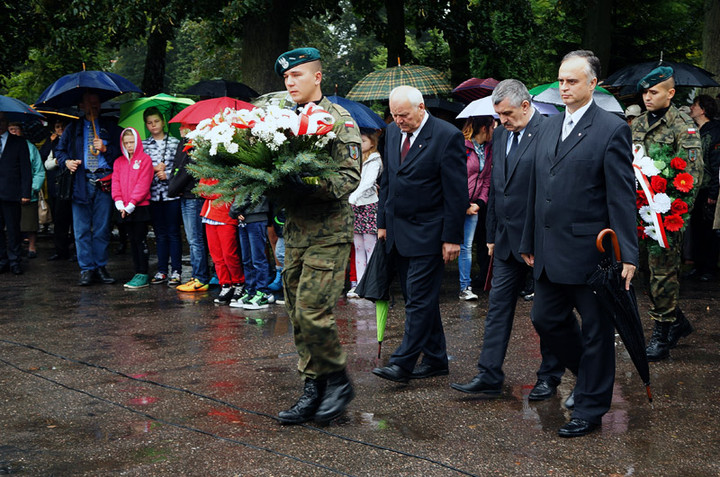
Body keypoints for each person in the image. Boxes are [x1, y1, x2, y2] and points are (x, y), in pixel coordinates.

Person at [519, 50, 637, 438]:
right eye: (560, 80)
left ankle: (590, 408)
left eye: (572, 81)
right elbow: (536, 188)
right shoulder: (548, 127)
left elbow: (620, 196)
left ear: (593, 84)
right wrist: (527, 239)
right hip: (549, 250)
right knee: (545, 320)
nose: (564, 87)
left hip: (592, 254)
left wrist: (627, 255)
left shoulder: (611, 128)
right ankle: (589, 377)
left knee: (597, 332)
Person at [451, 79, 564, 401]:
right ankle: (489, 373)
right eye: (498, 115)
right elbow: (498, 187)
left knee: (546, 313)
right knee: (497, 308)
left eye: (507, 114)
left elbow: (547, 193)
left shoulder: (551, 131)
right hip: (504, 240)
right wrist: (490, 234)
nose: (501, 121)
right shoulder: (500, 134)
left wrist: (530, 241)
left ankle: (549, 376)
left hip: (540, 241)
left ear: (526, 106)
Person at [273, 47, 361, 425]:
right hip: (295, 231)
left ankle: (338, 380)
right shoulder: (280, 119)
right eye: (286, 78)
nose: (290, 82)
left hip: (329, 231)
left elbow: (349, 178)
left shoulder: (340, 120)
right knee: (296, 313)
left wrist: (309, 184)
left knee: (313, 310)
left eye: (297, 76)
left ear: (317, 77)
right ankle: (313, 387)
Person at [372, 85, 467, 384]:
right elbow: (387, 181)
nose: (399, 120)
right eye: (394, 115)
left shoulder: (446, 136)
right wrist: (382, 223)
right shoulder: (390, 134)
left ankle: (402, 363)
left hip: (429, 232)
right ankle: (437, 358)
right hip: (398, 232)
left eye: (404, 115)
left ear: (421, 107)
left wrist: (452, 238)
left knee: (417, 300)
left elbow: (456, 193)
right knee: (419, 298)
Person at [632, 67, 703, 361]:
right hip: (639, 212)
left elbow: (693, 176)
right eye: (645, 93)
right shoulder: (636, 124)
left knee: (662, 272)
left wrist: (672, 217)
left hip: (666, 216)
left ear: (670, 93)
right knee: (647, 273)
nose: (648, 97)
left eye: (654, 92)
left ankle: (661, 336)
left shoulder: (682, 127)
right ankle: (678, 322)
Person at [56, 91, 122, 286]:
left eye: (96, 103)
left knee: (102, 228)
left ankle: (100, 266)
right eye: (89, 103)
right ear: (82, 106)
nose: (93, 106)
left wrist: (106, 149)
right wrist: (66, 162)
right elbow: (60, 151)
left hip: (105, 179)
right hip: (81, 181)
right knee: (81, 228)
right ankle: (86, 269)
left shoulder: (110, 126)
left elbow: (122, 152)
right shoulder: (72, 127)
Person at [142, 107, 182, 286]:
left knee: (173, 232)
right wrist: (153, 170)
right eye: (149, 123)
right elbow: (140, 171)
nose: (153, 125)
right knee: (160, 234)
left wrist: (169, 175)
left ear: (163, 122)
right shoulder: (143, 146)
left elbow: (181, 168)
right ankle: (162, 270)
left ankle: (176, 270)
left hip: (172, 195)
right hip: (153, 195)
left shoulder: (174, 142)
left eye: (156, 121)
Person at [169, 125, 210, 293]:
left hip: (193, 195)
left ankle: (200, 277)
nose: (180, 128)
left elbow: (187, 171)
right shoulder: (184, 143)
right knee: (193, 239)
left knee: (195, 239)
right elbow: (177, 167)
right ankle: (196, 275)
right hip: (184, 195)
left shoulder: (196, 144)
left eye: (184, 125)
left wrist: (172, 187)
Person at [112, 128, 154, 288]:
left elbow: (143, 184)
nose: (129, 146)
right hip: (124, 208)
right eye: (126, 143)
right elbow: (115, 183)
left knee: (140, 239)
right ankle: (137, 272)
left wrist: (131, 204)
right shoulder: (118, 162)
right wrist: (119, 202)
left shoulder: (145, 160)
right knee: (132, 240)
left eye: (132, 142)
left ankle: (143, 273)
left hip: (139, 207)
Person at [458, 116, 494, 300]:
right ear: (483, 128)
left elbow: (487, 180)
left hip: (474, 206)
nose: (494, 131)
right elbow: (456, 177)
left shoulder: (488, 150)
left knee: (466, 246)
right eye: (492, 128)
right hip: (458, 204)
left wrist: (479, 204)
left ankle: (465, 287)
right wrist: (463, 204)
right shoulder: (462, 146)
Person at [347, 129, 383, 298]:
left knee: (370, 247)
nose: (360, 144)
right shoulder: (355, 159)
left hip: (368, 206)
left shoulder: (375, 160)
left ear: (372, 143)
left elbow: (367, 183)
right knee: (358, 247)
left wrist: (352, 197)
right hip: (354, 206)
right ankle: (359, 285)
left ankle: (371, 285)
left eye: (363, 141)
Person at [199, 177, 245, 305]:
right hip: (210, 216)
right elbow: (200, 190)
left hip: (226, 216)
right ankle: (225, 284)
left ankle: (238, 283)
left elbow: (231, 193)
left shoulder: (227, 169)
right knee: (216, 255)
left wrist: (213, 193)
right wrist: (221, 192)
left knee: (229, 254)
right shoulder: (208, 170)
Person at [688, 95, 720, 281]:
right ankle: (698, 266)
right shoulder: (695, 130)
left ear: (703, 110)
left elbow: (716, 165)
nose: (691, 107)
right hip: (696, 187)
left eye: (695, 105)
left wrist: (714, 192)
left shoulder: (714, 132)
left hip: (708, 188)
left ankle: (708, 268)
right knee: (697, 228)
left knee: (709, 230)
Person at [229, 195, 275, 309]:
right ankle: (251, 291)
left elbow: (250, 193)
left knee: (258, 258)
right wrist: (237, 211)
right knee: (247, 259)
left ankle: (263, 292)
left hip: (256, 216)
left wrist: (234, 210)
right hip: (244, 217)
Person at [0, 112, 32, 275]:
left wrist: (25, 192)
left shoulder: (19, 142)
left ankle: (15, 261)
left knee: (13, 230)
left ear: (6, 123)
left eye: (2, 120)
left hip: (12, 193)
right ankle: (2, 260)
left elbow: (26, 170)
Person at [9, 122, 45, 259]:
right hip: (10, 191)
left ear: (21, 131)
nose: (13, 132)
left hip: (28, 191)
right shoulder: (4, 147)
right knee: (12, 223)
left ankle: (32, 246)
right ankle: (14, 248)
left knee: (30, 223)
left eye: (16, 129)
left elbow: (39, 170)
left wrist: (33, 187)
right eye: (10, 129)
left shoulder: (30, 147)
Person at [41, 118, 74, 261]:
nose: (60, 129)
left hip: (73, 184)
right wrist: (58, 160)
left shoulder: (73, 140)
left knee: (75, 221)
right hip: (58, 186)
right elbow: (46, 163)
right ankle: (61, 250)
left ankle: (76, 251)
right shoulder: (52, 142)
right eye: (57, 126)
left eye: (62, 126)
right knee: (59, 221)